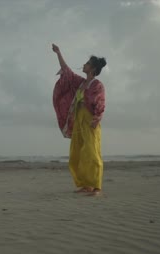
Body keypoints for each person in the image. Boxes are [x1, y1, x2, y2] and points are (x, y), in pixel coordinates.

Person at [51, 43, 107, 196]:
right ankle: (85, 185)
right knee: (76, 154)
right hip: (78, 121)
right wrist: (58, 52)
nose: (84, 65)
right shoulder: (80, 83)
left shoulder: (97, 85)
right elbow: (67, 72)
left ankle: (96, 187)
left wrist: (96, 118)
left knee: (92, 153)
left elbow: (100, 104)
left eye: (87, 63)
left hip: (90, 121)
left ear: (93, 68)